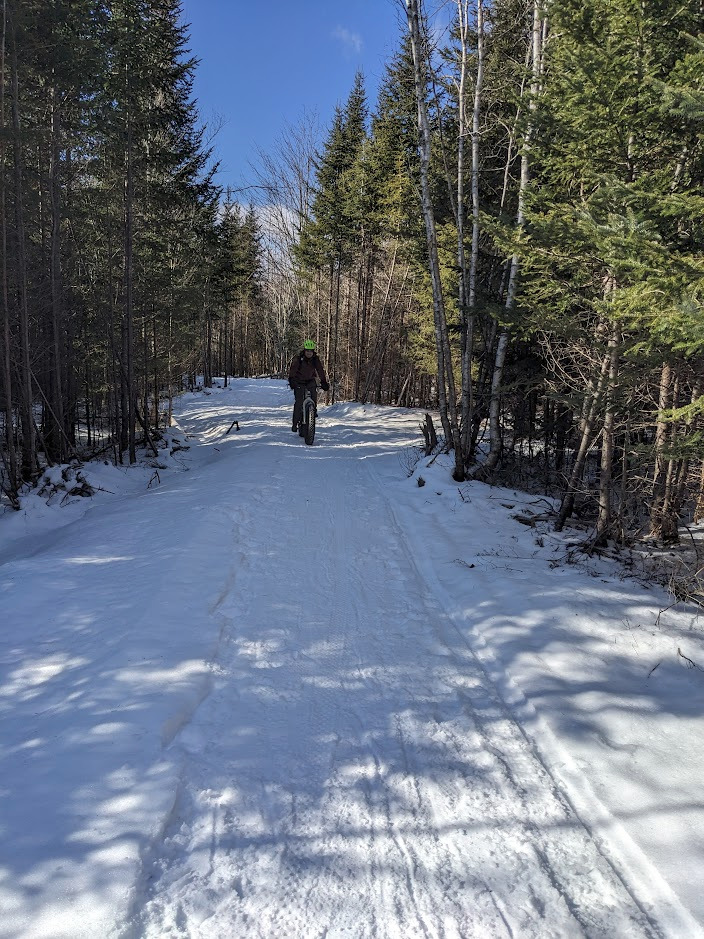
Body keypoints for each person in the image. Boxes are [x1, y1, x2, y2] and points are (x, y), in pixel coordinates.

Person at [288, 340, 329, 432]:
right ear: (304, 351)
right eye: (307, 351)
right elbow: (293, 370)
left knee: (313, 397)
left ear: (313, 352)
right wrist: (291, 380)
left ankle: (313, 412)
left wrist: (323, 381)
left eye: (311, 351)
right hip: (299, 381)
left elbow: (320, 370)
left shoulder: (315, 359)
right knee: (299, 402)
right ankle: (295, 423)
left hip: (310, 381)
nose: (309, 353)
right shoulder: (299, 359)